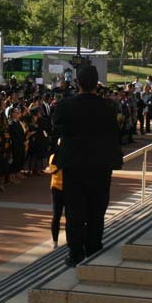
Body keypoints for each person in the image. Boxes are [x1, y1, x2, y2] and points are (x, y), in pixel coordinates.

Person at [51, 64, 123, 267]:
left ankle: (75, 252)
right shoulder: (108, 107)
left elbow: (56, 124)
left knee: (74, 211)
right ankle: (94, 247)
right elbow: (114, 133)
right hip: (100, 166)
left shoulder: (65, 106)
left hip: (74, 166)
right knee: (97, 209)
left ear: (77, 83)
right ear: (96, 84)